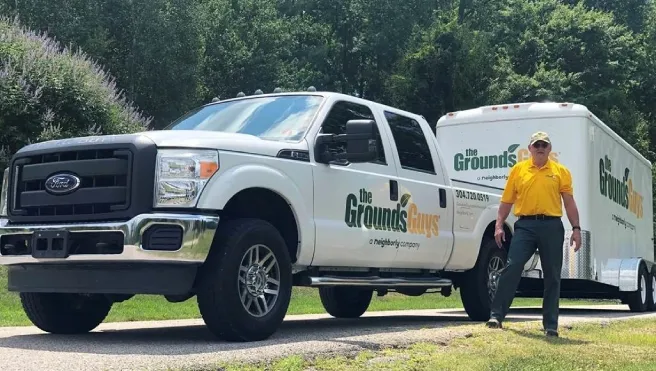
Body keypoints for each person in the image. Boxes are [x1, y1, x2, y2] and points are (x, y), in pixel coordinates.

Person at [486, 131, 581, 337]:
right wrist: (499, 225)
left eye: (544, 145)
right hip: (525, 226)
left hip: (552, 226)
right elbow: (507, 201)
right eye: (536, 144)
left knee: (553, 275)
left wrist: (576, 228)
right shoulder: (518, 170)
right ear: (529, 148)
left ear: (549, 149)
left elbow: (569, 202)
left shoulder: (560, 171)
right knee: (512, 266)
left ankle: (550, 325)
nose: (540, 148)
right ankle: (496, 316)